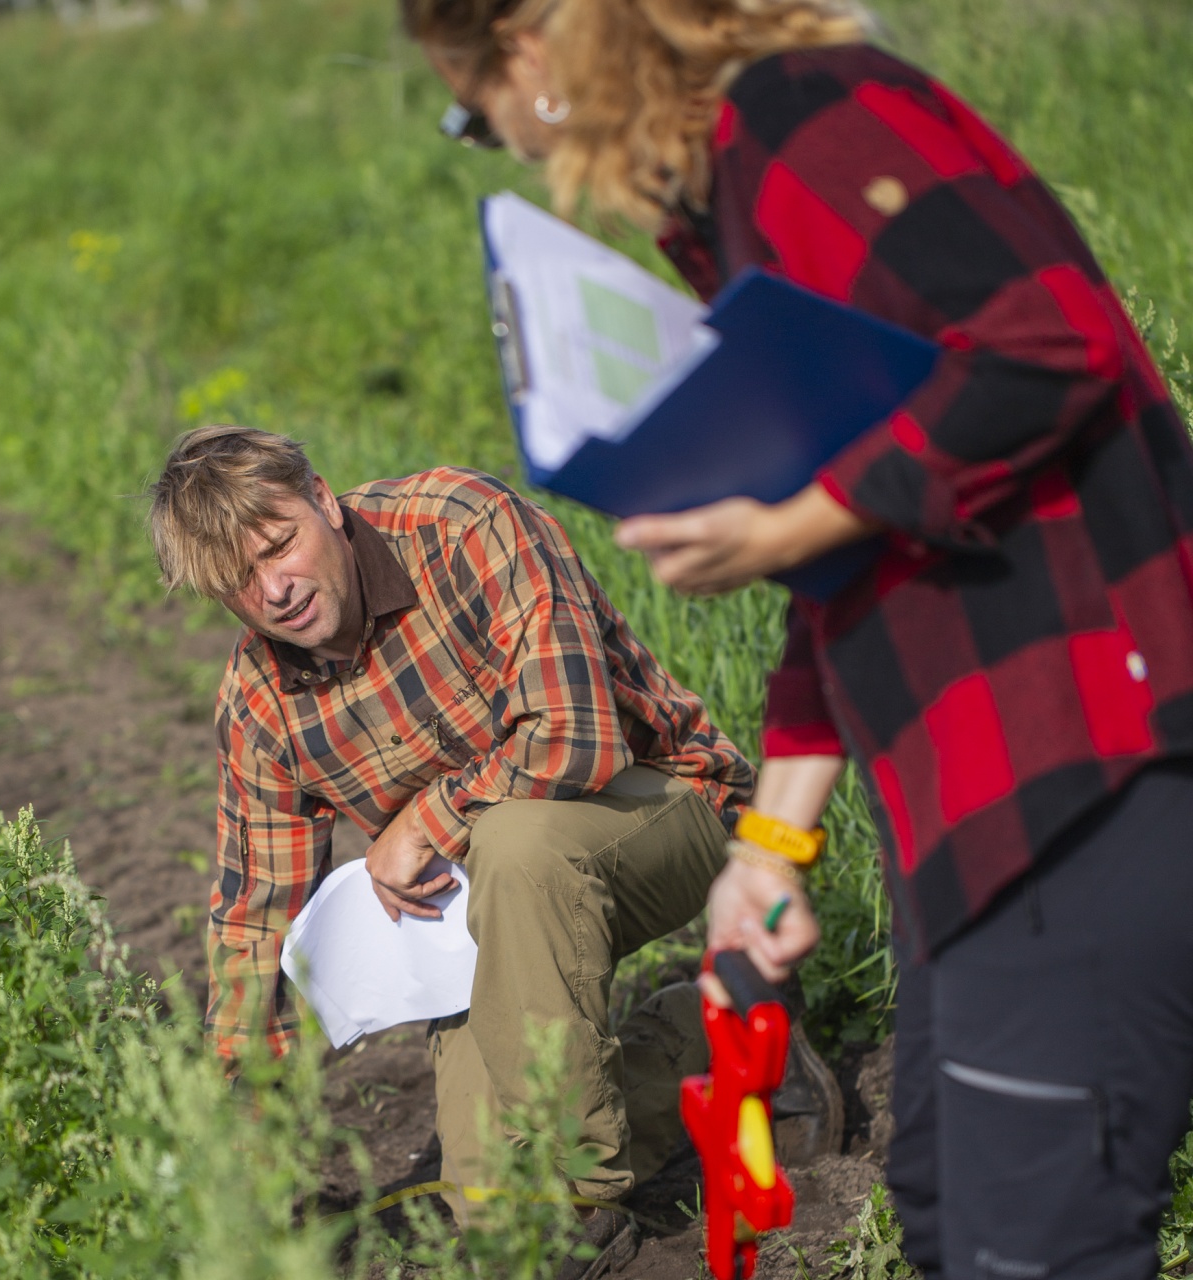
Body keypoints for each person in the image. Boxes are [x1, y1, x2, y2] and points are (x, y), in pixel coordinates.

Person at [403, 0, 1193, 1276]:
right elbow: (849, 570)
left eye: (471, 102)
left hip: (1086, 755)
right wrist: (765, 848)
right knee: (945, 1204)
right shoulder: (731, 213)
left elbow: (1050, 342)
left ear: (534, 47)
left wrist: (790, 520)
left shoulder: (806, 112)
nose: (506, 137)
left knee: (1030, 1242)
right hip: (982, 803)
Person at [147, 425, 758, 1273]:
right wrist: (240, 1123)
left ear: (324, 499)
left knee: (515, 840)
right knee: (498, 1215)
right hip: (483, 903)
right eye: (239, 583)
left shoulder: (463, 526)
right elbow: (253, 922)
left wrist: (423, 824)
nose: (274, 590)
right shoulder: (260, 703)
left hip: (669, 805)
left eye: (280, 546)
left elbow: (577, 736)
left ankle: (582, 1196)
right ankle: (727, 1043)